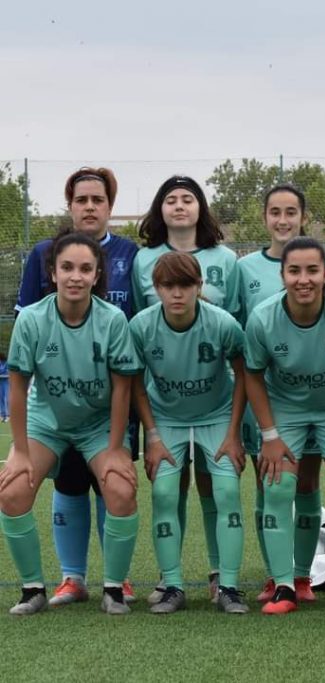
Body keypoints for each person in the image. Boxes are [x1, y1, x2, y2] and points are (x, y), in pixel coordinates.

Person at [0, 231, 142, 615]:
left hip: (97, 423)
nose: (75, 276)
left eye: (85, 268)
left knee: (121, 489)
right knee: (11, 491)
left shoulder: (113, 320)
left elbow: (121, 390)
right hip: (48, 421)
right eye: (67, 268)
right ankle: (32, 589)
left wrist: (115, 450)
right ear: (53, 272)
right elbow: (17, 388)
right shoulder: (31, 319)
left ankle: (113, 588)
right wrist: (20, 453)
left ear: (97, 275)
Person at [244, 237, 325, 614]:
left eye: (312, 270)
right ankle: (285, 586)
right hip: (285, 409)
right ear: (282, 275)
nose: (304, 279)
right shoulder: (263, 318)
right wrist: (270, 435)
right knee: (278, 487)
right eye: (294, 271)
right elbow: (252, 375)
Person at [133, 175, 241, 603]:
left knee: (226, 489)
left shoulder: (223, 320)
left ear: (199, 287)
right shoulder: (141, 325)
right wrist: (153, 436)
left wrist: (235, 433)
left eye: (185, 286)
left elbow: (244, 371)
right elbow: (134, 378)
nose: (176, 294)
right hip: (167, 416)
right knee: (164, 491)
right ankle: (171, 583)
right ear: (156, 289)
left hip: (217, 413)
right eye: (167, 287)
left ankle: (227, 583)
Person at [238, 184, 325, 605]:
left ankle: (303, 576)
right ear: (265, 218)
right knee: (269, 482)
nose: (283, 219)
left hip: (320, 400)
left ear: (302, 216)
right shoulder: (246, 269)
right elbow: (242, 338)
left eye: (291, 211)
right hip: (270, 402)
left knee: (307, 482)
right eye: (275, 212)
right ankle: (276, 576)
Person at [0, 353, 9, 422]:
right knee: (1, 399)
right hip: (0, 383)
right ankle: (3, 415)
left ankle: (8, 415)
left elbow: (8, 374)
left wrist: (2, 375)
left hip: (7, 382)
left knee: (7, 399)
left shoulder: (7, 363)